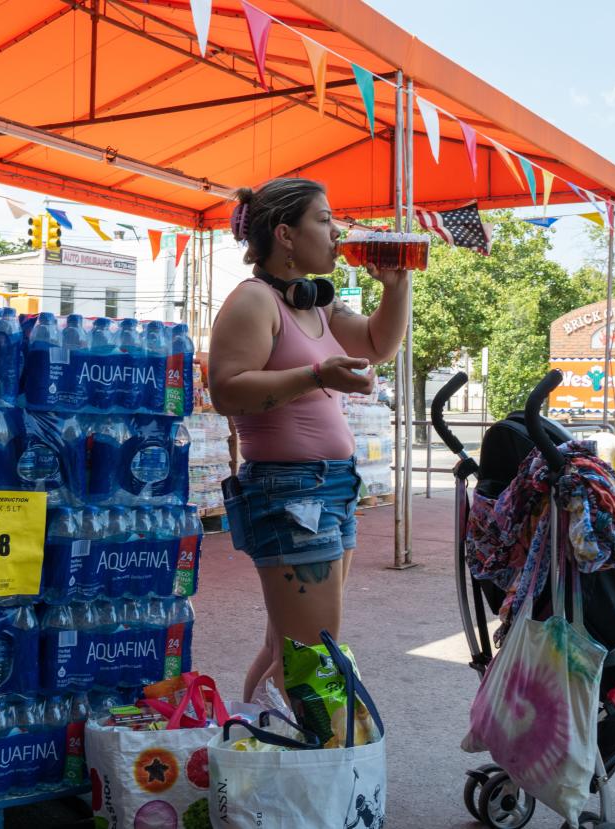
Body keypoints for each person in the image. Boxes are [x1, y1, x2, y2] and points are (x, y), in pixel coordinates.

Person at [207, 177, 410, 701]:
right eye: (324, 220)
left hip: (328, 488)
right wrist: (318, 376)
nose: (337, 231)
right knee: (311, 654)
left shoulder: (315, 304)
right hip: (292, 492)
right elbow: (227, 391)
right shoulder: (255, 301)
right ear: (286, 235)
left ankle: (248, 753)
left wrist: (396, 285)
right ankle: (296, 767)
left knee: (287, 650)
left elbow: (378, 344)